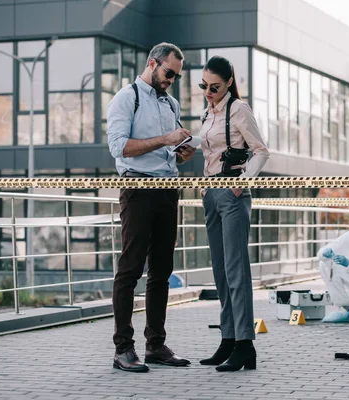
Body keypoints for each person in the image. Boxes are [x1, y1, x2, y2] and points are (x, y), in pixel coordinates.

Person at [107, 42, 194, 372]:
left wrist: (181, 153)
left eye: (177, 76)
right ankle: (122, 349)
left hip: (168, 190)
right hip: (138, 189)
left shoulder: (170, 103)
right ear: (152, 63)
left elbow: (169, 150)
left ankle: (156, 345)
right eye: (169, 73)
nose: (172, 79)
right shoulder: (126, 97)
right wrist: (166, 140)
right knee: (130, 269)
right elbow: (119, 147)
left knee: (161, 271)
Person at [197, 56, 269, 372]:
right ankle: (228, 339)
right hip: (210, 194)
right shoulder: (207, 113)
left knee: (237, 270)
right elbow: (211, 153)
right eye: (204, 86)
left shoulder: (238, 109)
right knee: (221, 272)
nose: (208, 92)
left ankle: (245, 345)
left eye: (214, 87)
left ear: (228, 83)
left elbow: (261, 150)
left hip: (232, 193)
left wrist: (242, 183)